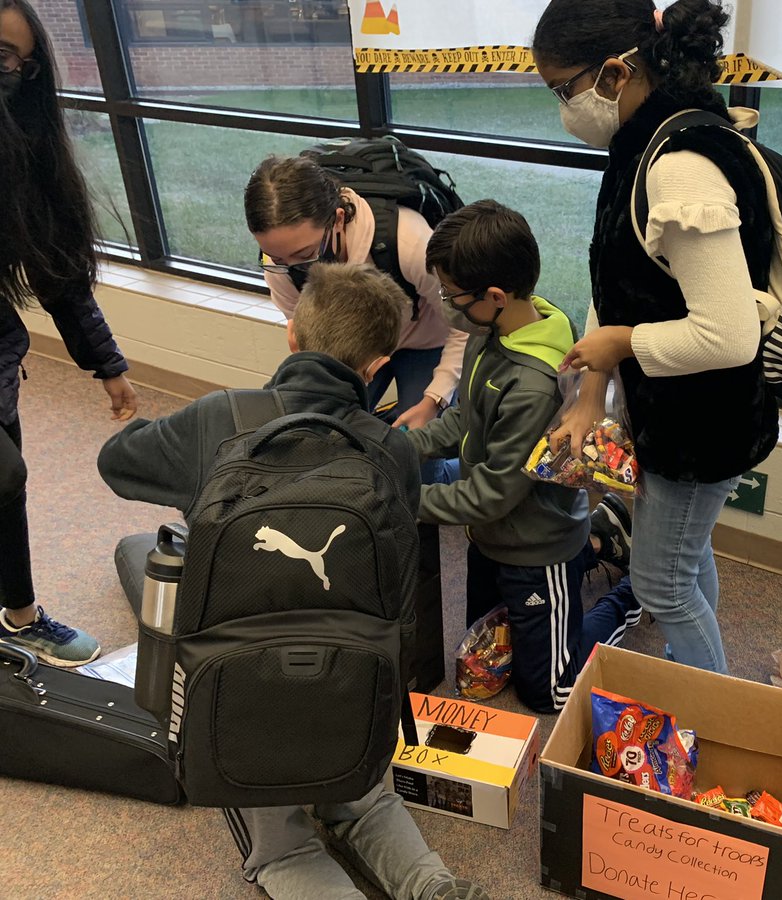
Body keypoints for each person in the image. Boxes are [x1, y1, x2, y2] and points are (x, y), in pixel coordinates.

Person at [97, 263, 488, 900]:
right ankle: (434, 887)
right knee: (366, 798)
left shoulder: (219, 420)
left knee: (139, 554)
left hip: (242, 692)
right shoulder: (390, 451)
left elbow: (116, 462)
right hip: (354, 688)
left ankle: (287, 852)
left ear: (291, 337)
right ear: (376, 363)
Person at [533, 0, 779, 674]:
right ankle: (691, 659)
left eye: (563, 88)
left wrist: (620, 348)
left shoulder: (677, 164)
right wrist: (591, 395)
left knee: (661, 581)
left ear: (614, 72)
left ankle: (709, 708)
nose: (562, 107)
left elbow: (729, 337)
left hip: (703, 424)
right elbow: (614, 278)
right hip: (670, 411)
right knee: (685, 556)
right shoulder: (639, 142)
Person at [408, 200, 642, 713]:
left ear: (495, 295)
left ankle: (630, 592)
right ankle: (602, 537)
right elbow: (464, 421)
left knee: (548, 694)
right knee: (483, 657)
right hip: (492, 537)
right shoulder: (490, 330)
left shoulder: (530, 385)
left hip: (538, 548)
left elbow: (492, 494)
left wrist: (407, 500)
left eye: (451, 295)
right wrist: (407, 444)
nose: (444, 303)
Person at [0, 0, 138, 666]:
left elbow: (56, 269)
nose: (7, 70)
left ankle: (20, 617)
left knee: (8, 487)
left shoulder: (22, 155)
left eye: (14, 62)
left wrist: (106, 363)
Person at [244, 154, 467, 430]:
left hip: (427, 342)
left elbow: (464, 325)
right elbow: (310, 340)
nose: (294, 269)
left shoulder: (410, 243)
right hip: (357, 347)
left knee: (418, 451)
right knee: (327, 428)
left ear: (338, 219)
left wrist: (434, 400)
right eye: (277, 259)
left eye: (305, 253)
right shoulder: (280, 262)